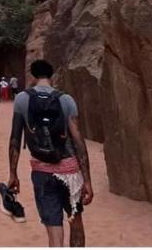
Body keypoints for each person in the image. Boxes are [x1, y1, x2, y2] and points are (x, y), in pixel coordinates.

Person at [7, 59, 93, 247]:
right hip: (70, 172)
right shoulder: (66, 99)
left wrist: (13, 174)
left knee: (54, 226)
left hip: (42, 172)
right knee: (75, 221)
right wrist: (87, 180)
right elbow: (78, 141)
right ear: (51, 76)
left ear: (33, 76)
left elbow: (15, 140)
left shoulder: (22, 99)